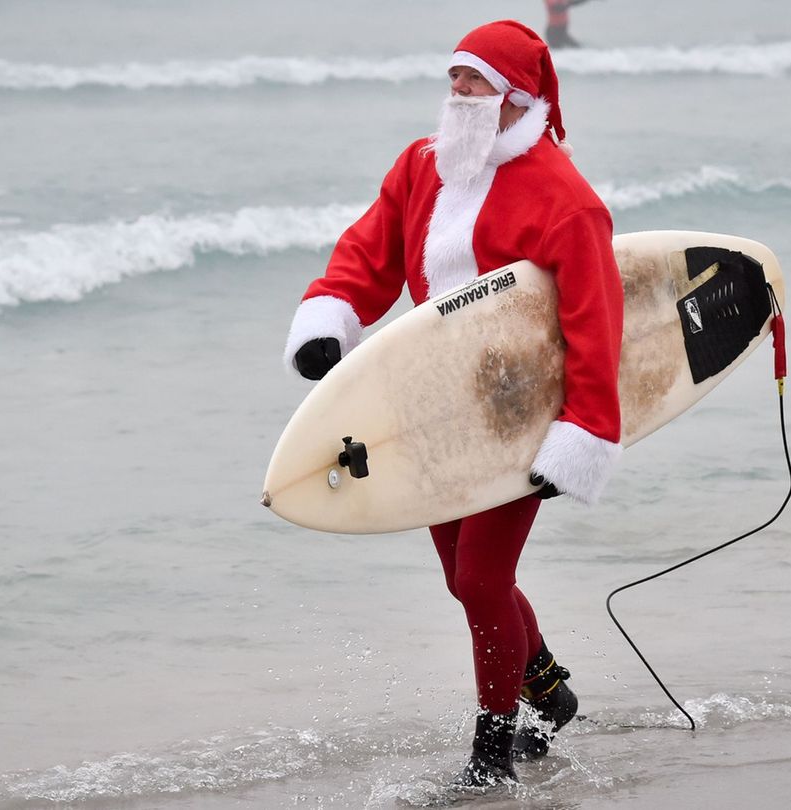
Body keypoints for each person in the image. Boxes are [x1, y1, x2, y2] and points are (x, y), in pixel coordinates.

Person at [280, 19, 624, 787]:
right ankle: (547, 692)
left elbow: (596, 323)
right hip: (434, 410)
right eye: (454, 77)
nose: (457, 92)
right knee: (465, 578)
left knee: (479, 581)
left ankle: (492, 752)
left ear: (513, 98)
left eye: (473, 80)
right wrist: (330, 315)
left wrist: (585, 433)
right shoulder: (423, 167)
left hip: (522, 416)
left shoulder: (567, 201)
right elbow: (369, 252)